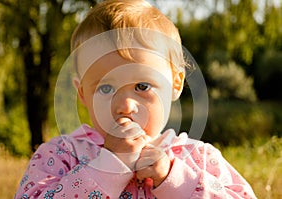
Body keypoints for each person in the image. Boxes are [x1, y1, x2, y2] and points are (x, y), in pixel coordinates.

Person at [15, 0, 257, 198]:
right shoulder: (61, 155)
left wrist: (174, 179)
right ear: (82, 94)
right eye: (106, 89)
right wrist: (106, 168)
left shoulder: (197, 157)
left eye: (142, 86)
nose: (125, 106)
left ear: (175, 84)